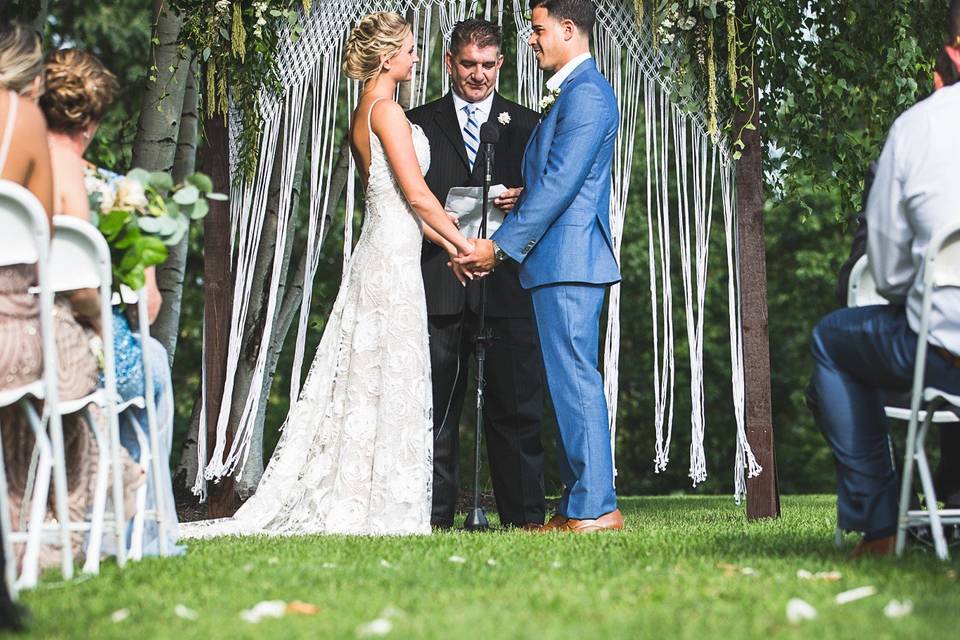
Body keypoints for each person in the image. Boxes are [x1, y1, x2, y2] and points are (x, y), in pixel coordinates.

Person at [180, 11, 476, 538]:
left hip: (387, 246)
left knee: (373, 372)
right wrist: (464, 244)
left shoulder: (364, 112)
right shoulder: (385, 110)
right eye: (409, 48)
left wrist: (447, 244)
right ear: (388, 56)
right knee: (386, 368)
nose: (415, 56)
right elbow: (415, 195)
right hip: (391, 256)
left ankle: (372, 488)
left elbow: (402, 205)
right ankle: (381, 497)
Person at [456, 0, 622, 533]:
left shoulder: (589, 95)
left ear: (568, 30)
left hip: (569, 259)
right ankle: (580, 503)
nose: (531, 39)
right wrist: (528, 196)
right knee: (567, 382)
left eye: (538, 30)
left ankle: (597, 508)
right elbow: (557, 180)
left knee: (576, 381)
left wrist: (498, 247)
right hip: (557, 258)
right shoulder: (572, 94)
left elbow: (561, 185)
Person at [808, 43, 960, 556]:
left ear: (950, 53)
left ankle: (882, 526)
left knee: (832, 339)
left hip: (945, 353)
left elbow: (890, 273)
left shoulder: (917, 129)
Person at [39, 47, 180, 556]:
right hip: (74, 345)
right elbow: (147, 306)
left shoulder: (14, 184)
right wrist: (105, 320)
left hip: (16, 341)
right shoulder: (109, 190)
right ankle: (148, 535)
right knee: (153, 361)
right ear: (94, 117)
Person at [406, 19, 546, 530]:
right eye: (468, 64)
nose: (478, 76)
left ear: (501, 64)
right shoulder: (416, 123)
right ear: (449, 62)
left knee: (515, 408)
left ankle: (526, 516)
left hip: (507, 289)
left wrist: (526, 197)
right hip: (437, 284)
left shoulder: (529, 126)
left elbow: (549, 198)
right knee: (436, 411)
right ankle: (433, 516)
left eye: (488, 66)